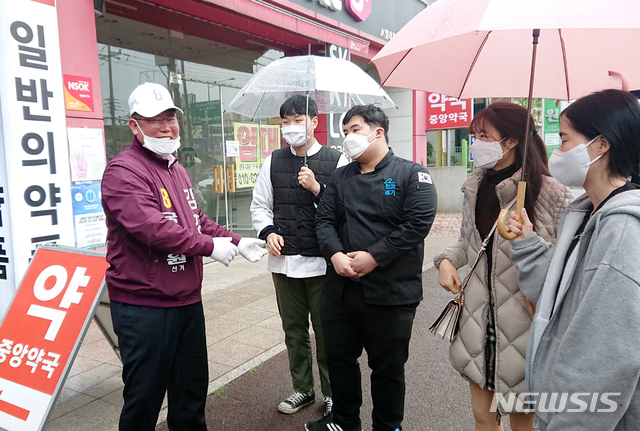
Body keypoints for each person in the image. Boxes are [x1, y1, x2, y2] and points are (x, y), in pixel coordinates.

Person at [101, 82, 267, 431]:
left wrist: (237, 240)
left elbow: (197, 220)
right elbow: (151, 228)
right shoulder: (123, 171)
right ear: (134, 125)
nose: (166, 127)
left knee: (191, 393)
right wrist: (209, 246)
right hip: (144, 306)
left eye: (170, 119)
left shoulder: (176, 168)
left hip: (187, 301)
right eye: (154, 120)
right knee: (144, 399)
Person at [433, 102, 573, 431]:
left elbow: (564, 264)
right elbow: (469, 243)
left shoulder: (551, 193)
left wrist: (528, 241)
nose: (476, 142)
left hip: (525, 326)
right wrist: (447, 260)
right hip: (478, 324)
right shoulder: (474, 186)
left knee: (523, 424)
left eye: (484, 135)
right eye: (474, 135)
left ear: (510, 141)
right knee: (484, 418)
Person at [507, 89, 640, 430]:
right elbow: (557, 300)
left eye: (565, 140)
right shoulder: (584, 214)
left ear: (601, 145)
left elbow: (605, 355)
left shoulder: (622, 231)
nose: (557, 152)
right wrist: (527, 243)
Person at [307, 104, 437, 431]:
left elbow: (417, 224)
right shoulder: (339, 177)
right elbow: (323, 221)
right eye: (345, 132)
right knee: (339, 362)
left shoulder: (411, 174)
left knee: (388, 369)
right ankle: (345, 422)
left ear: (377, 132)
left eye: (354, 129)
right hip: (340, 290)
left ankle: (388, 425)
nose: (348, 137)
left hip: (392, 293)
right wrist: (336, 255)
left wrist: (374, 256)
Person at [250, 95, 348, 417]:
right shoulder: (273, 161)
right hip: (284, 263)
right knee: (293, 329)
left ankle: (333, 393)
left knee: (326, 330)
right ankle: (302, 389)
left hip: (322, 264)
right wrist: (268, 233)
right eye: (285, 122)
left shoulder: (337, 161)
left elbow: (345, 213)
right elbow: (260, 206)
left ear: (315, 122)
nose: (291, 127)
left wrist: (318, 189)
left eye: (297, 120)